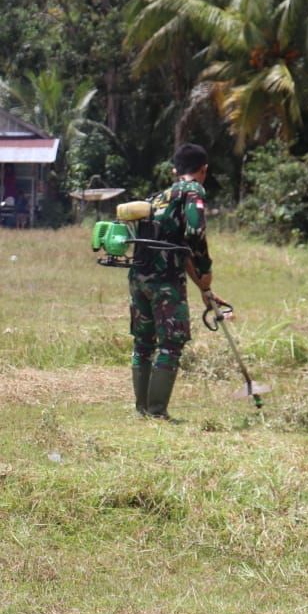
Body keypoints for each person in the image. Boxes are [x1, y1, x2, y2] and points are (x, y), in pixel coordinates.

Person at [129, 142, 225, 419]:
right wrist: (206, 266)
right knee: (171, 343)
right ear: (203, 170)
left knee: (143, 343)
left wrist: (204, 288)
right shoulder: (193, 191)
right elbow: (195, 233)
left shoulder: (159, 197)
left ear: (174, 170)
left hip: (138, 277)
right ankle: (157, 411)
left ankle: (142, 409)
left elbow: (178, 250)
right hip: (165, 282)